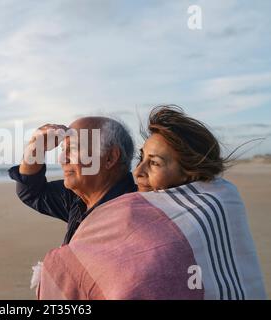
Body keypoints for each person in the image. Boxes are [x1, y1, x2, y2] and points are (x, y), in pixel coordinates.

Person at [37, 106, 267, 300]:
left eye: (154, 163)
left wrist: (63, 265)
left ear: (189, 173)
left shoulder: (217, 207)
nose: (138, 172)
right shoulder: (131, 210)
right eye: (141, 158)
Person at [8, 117, 137, 245]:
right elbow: (31, 192)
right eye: (64, 149)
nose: (62, 159)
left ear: (110, 158)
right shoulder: (80, 198)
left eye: (74, 148)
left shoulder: (136, 217)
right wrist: (36, 147)